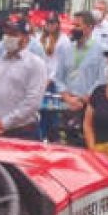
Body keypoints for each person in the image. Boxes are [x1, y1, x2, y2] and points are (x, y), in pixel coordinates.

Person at [0, 17, 47, 140]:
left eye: (14, 34)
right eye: (6, 33)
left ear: (26, 38)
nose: (8, 38)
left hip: (22, 132)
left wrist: (5, 122)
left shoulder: (35, 64)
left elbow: (32, 102)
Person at [61, 10, 106, 109]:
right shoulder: (67, 48)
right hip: (66, 104)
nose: (73, 29)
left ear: (90, 27)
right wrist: (67, 97)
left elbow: (102, 79)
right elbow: (58, 77)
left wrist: (83, 99)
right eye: (73, 25)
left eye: (77, 25)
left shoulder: (102, 50)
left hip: (89, 105)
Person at [39, 12, 74, 141]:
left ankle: (54, 138)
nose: (50, 25)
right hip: (42, 78)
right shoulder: (41, 38)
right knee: (41, 111)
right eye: (48, 23)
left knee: (52, 112)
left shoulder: (63, 40)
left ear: (58, 24)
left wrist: (51, 79)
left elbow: (64, 63)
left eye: (52, 23)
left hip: (54, 82)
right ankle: (43, 137)